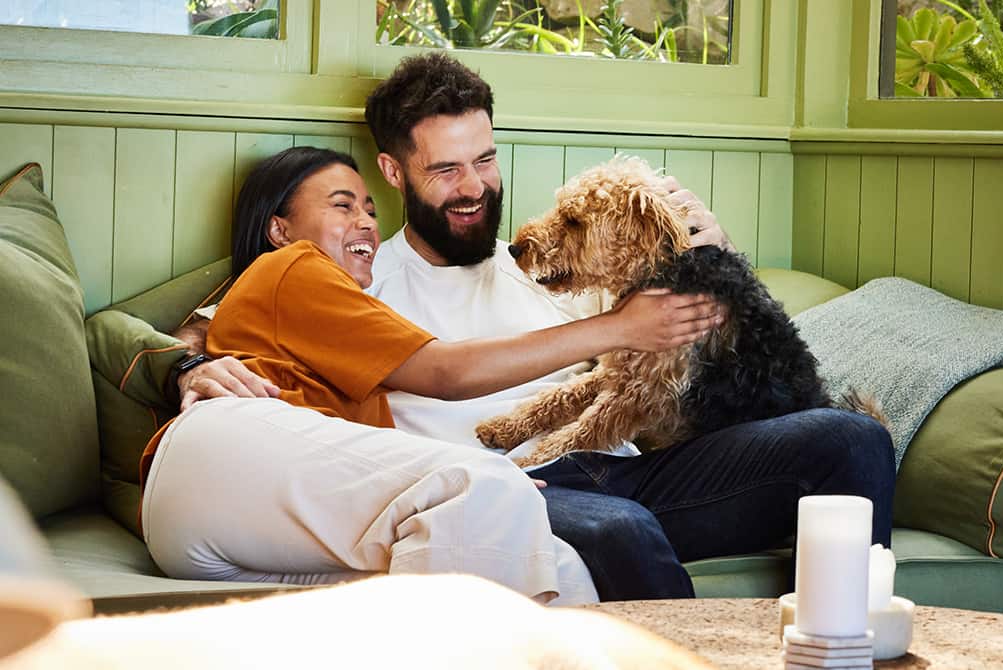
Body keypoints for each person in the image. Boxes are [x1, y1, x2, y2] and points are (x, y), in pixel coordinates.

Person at [177, 53, 896, 601]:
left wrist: (706, 252)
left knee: (852, 439)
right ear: (394, 173)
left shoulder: (557, 263)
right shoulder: (355, 272)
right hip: (501, 492)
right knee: (621, 532)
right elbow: (202, 329)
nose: (472, 188)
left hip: (624, 470)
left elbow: (706, 351)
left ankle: (851, 638)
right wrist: (186, 367)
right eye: (446, 170)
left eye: (485, 160)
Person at [140, 147, 713, 606]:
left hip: (234, 528)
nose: (365, 221)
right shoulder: (294, 267)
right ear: (280, 231)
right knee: (484, 488)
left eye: (368, 208)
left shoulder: (330, 314)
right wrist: (623, 326)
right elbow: (445, 370)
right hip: (228, 463)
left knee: (564, 578)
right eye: (342, 206)